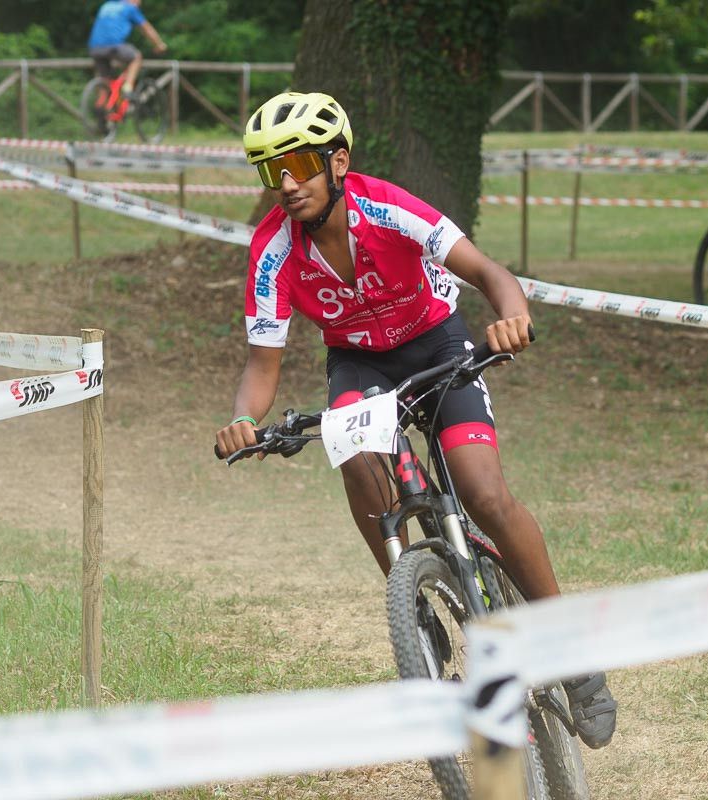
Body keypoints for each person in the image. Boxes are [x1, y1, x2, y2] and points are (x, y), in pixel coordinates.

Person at [215, 91, 618, 749]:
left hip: (438, 344)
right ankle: (415, 607)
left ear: (337, 161)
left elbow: (487, 271)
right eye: (271, 171)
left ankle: (573, 659)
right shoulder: (272, 250)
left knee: (483, 492)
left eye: (300, 165)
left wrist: (513, 316)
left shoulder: (386, 206)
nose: (286, 184)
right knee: (354, 454)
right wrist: (242, 420)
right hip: (360, 364)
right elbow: (262, 366)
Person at [87, 0, 167, 98]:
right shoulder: (129, 8)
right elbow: (146, 28)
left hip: (94, 48)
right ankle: (128, 88)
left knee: (105, 80)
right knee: (136, 57)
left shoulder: (107, 5)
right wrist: (159, 44)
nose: (139, 3)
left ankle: (101, 103)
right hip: (114, 46)